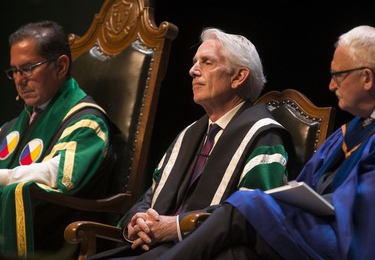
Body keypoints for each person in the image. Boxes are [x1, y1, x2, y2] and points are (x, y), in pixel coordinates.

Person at [151, 25, 375, 260]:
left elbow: (363, 207)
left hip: (346, 242)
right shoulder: (345, 134)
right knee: (234, 255)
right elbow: (301, 187)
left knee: (247, 203)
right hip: (310, 232)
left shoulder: (264, 134)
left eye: (338, 75)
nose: (331, 85)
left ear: (367, 78)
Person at [87, 27, 294, 260]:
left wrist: (178, 226)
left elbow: (254, 214)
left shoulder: (264, 137)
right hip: (155, 248)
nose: (192, 71)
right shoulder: (189, 134)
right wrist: (137, 222)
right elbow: (152, 196)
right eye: (195, 62)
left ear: (238, 76)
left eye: (206, 62)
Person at [0, 20, 122, 259]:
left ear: (61, 66)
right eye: (14, 71)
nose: (19, 80)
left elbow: (58, 174)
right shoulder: (16, 124)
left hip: (56, 239)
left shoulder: (87, 123)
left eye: (27, 68)